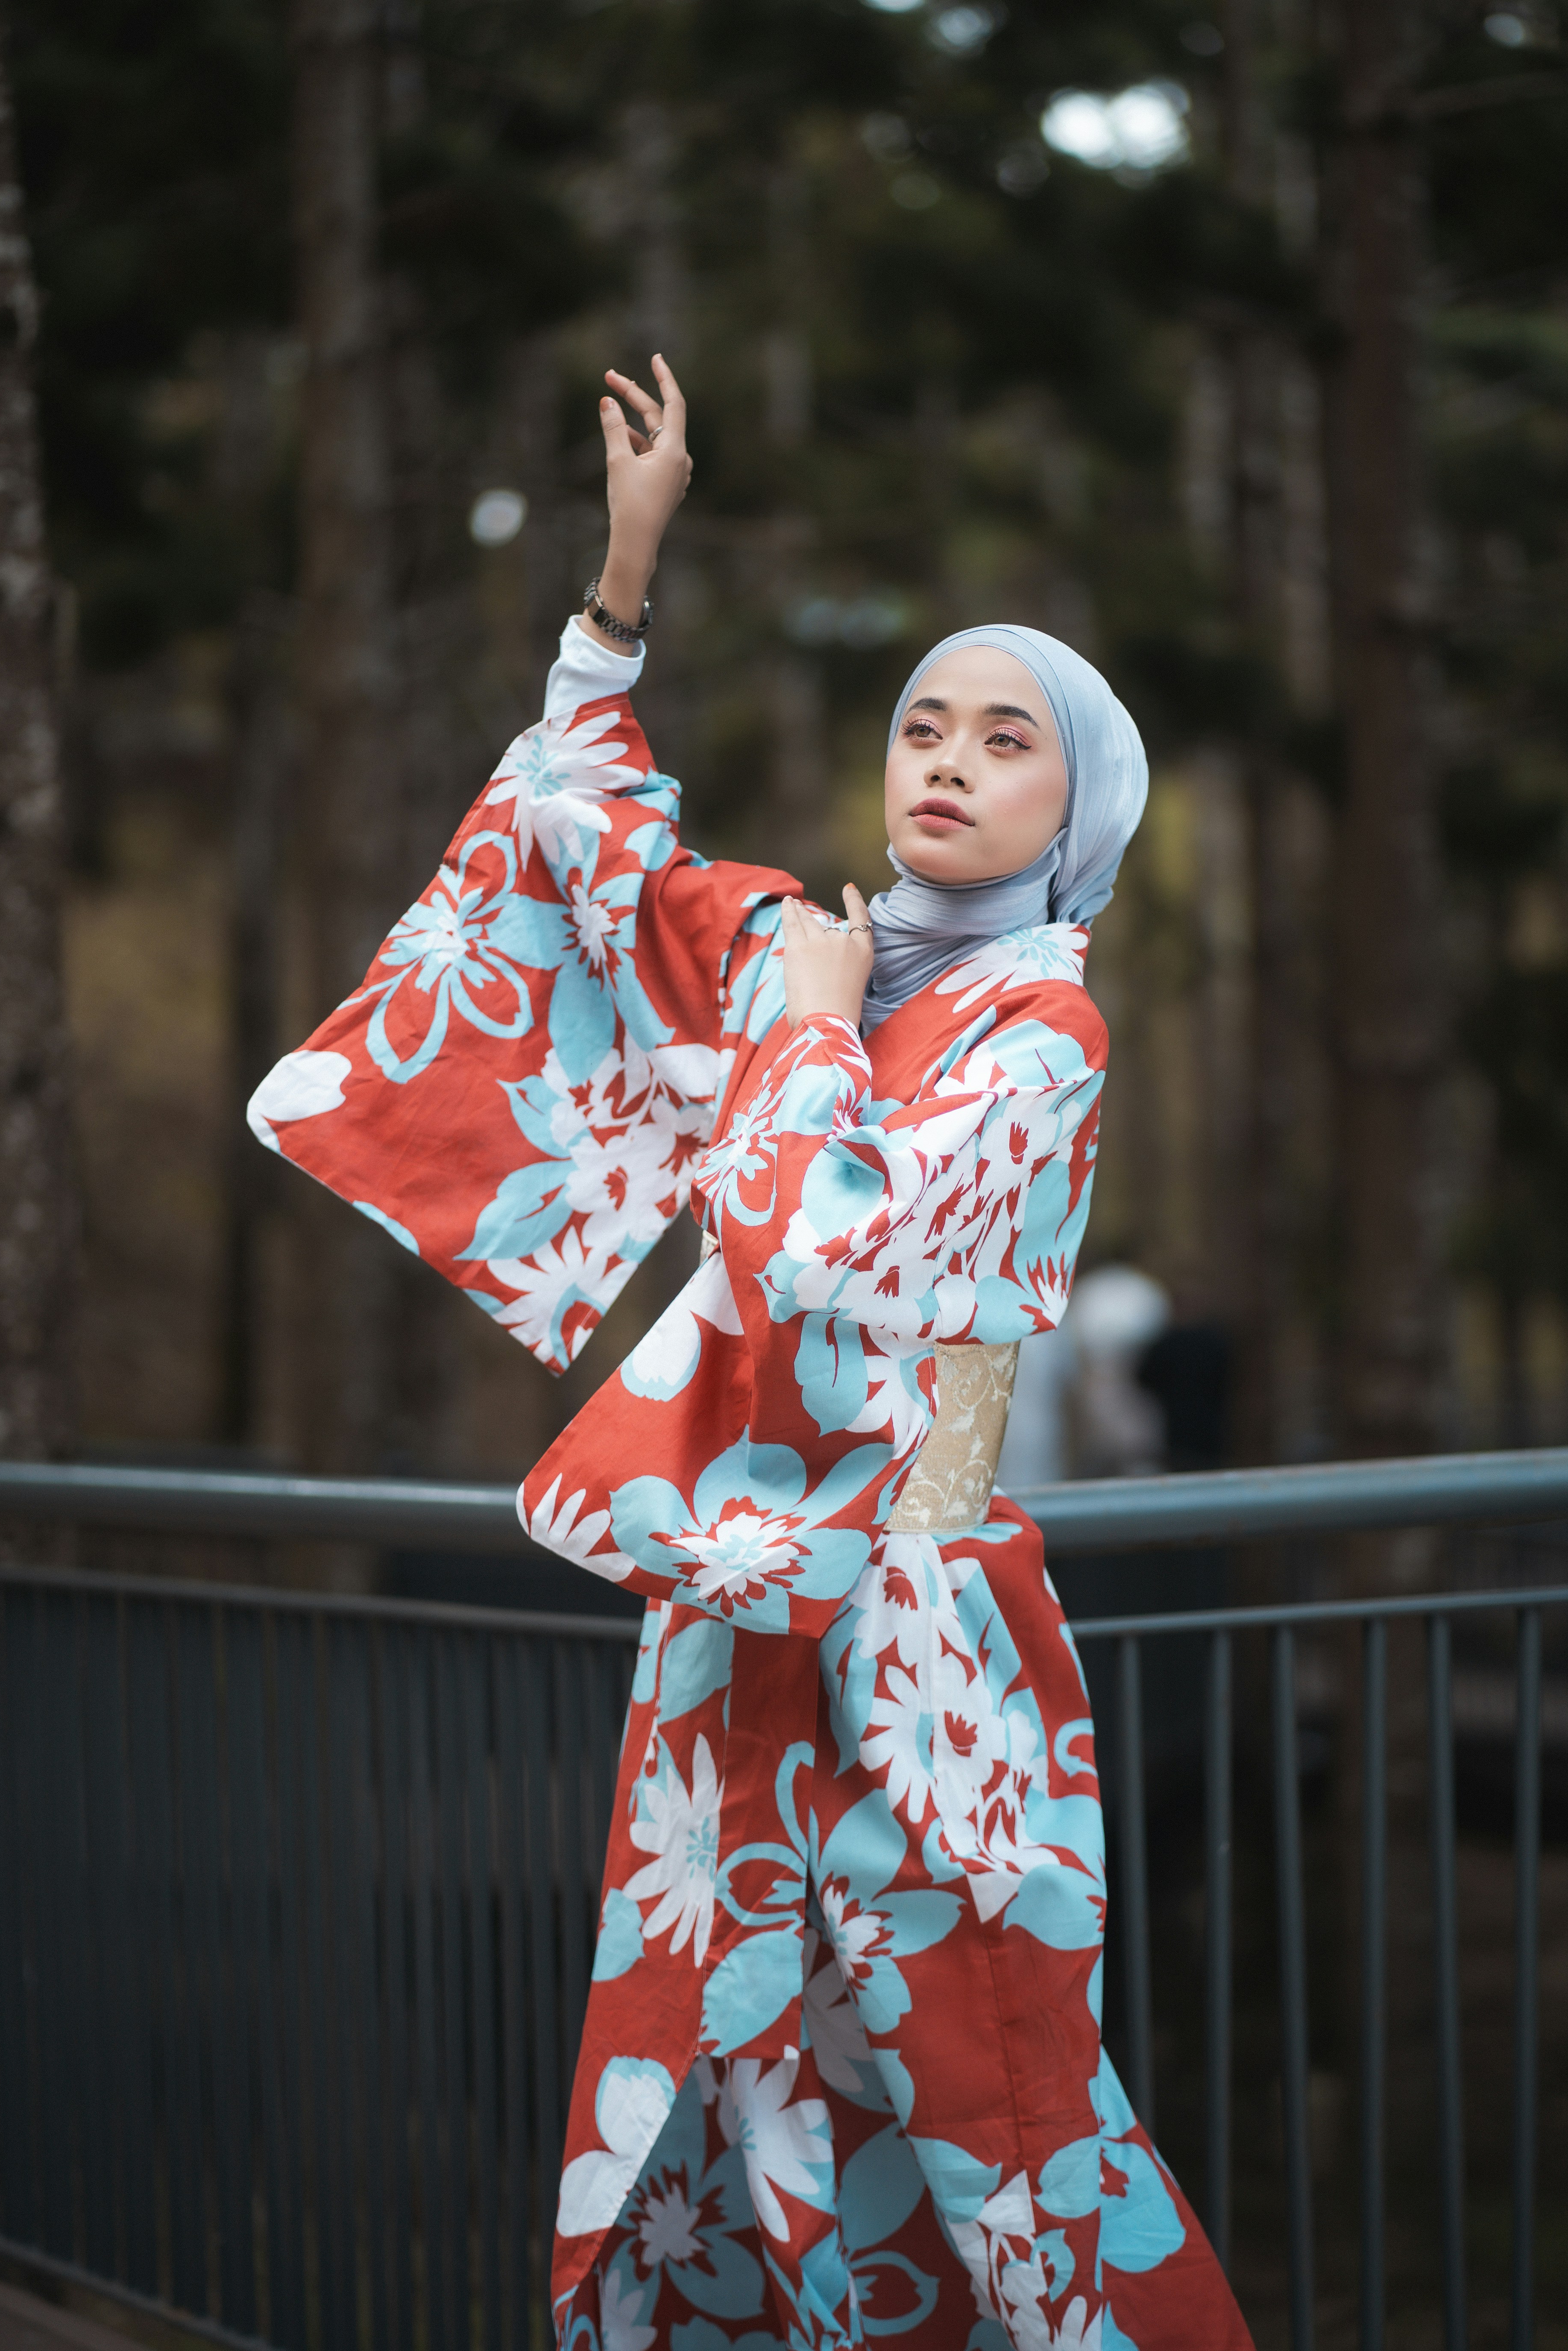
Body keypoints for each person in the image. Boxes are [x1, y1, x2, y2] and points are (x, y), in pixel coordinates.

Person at [252, 360, 1250, 2351]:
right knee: (725, 2092)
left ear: (1087, 810)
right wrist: (625, 580)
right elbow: (583, 831)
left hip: (922, 1631)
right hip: (736, 1614)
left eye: (1009, 743)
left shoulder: (1038, 1038)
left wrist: (795, 1024)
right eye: (922, 725)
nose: (946, 763)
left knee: (994, 2118)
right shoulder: (830, 954)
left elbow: (825, 1250)